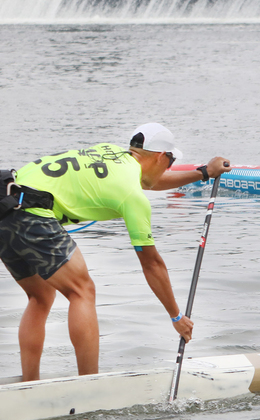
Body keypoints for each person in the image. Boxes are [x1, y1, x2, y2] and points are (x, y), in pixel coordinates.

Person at [0, 123, 230, 381]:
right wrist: (176, 316)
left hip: (5, 200)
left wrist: (204, 173)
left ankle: (29, 385)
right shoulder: (132, 195)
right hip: (30, 211)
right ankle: (90, 386)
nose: (169, 167)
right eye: (171, 161)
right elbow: (152, 264)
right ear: (160, 156)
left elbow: (147, 181)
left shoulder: (111, 154)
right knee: (82, 290)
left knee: (40, 296)